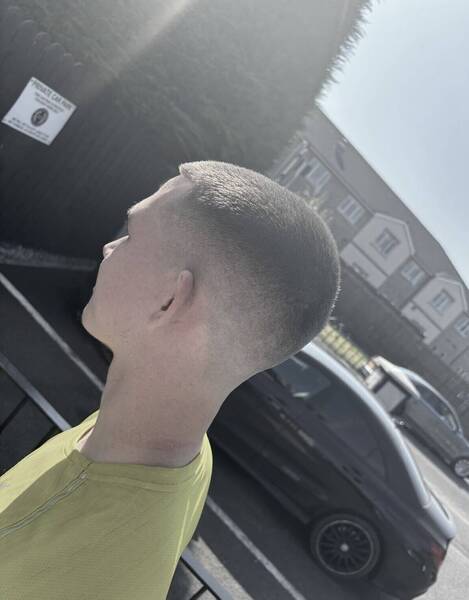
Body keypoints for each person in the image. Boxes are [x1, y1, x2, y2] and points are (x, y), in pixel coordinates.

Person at [0, 161, 340, 599]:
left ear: (169, 301)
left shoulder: (54, 560)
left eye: (131, 235)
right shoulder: (185, 457)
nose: (109, 247)